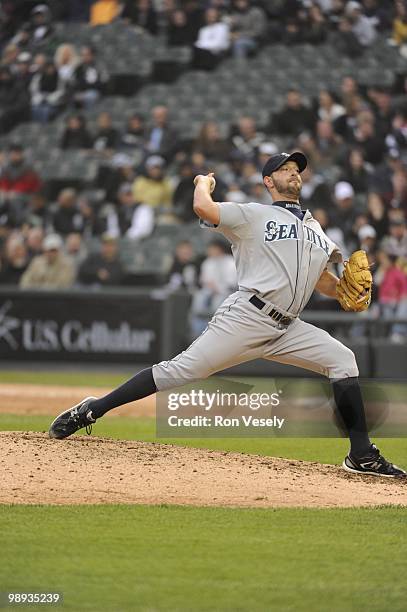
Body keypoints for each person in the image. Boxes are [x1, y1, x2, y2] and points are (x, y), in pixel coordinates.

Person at [49, 150, 406, 478]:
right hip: (247, 317)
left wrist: (345, 290)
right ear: (269, 181)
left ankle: (361, 454)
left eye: (296, 169)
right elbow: (205, 209)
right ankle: (93, 409)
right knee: (180, 372)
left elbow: (322, 283)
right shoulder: (253, 214)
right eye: (285, 169)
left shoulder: (315, 230)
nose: (293, 173)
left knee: (343, 359)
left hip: (288, 327)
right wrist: (202, 184)